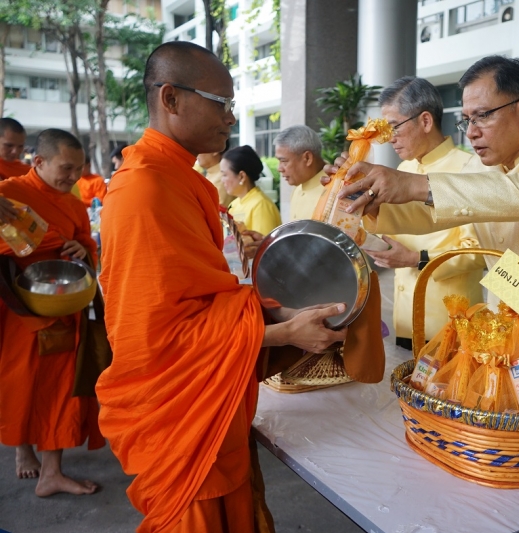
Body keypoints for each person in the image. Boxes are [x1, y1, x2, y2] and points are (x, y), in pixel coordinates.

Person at [96, 41, 346, 533]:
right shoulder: (144, 188)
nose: (230, 118)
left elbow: (202, 290)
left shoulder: (182, 180)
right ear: (171, 98)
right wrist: (283, 332)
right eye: (221, 103)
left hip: (212, 396)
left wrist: (238, 261)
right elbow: (154, 335)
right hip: (180, 409)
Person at [333, 56, 519, 329]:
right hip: (516, 323)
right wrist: (367, 199)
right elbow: (432, 211)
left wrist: (411, 184)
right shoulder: (482, 166)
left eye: (482, 116)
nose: (471, 132)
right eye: (467, 119)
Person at [0, 128, 104, 496]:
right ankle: (21, 449)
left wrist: (80, 248)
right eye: (66, 168)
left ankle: (52, 471)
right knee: (23, 385)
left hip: (65, 304)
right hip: (21, 310)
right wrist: (42, 241)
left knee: (62, 389)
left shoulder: (73, 204)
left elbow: (89, 244)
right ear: (39, 162)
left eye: (78, 169)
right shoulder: (9, 194)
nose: (73, 178)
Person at [367, 76, 485, 348]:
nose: (389, 139)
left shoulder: (470, 169)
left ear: (425, 121)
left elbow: (478, 249)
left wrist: (417, 259)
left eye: (394, 127)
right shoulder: (404, 171)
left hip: (450, 319)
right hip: (406, 315)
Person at [222, 145, 282, 235]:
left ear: (242, 176)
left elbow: (262, 245)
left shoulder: (261, 205)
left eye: (225, 175)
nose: (222, 180)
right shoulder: (234, 205)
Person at [273, 125, 326, 221]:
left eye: (284, 161)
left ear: (307, 158)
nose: (279, 168)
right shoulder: (297, 190)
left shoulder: (337, 190)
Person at [198, 141, 235, 208]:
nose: (197, 153)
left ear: (215, 151)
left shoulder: (222, 178)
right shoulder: (211, 173)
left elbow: (217, 211)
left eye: (200, 147)